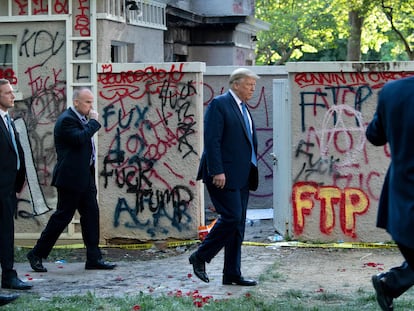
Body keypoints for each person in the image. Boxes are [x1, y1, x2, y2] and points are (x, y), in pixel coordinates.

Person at [27, 87, 116, 272]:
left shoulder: (80, 119)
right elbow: (79, 139)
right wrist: (93, 122)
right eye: (87, 102)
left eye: (92, 102)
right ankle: (36, 253)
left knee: (91, 215)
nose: (91, 106)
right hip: (70, 179)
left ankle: (93, 258)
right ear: (76, 102)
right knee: (62, 217)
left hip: (85, 178)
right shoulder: (67, 120)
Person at [189, 68, 259, 286]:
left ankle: (232, 274)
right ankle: (200, 256)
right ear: (235, 84)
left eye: (254, 86)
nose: (252, 89)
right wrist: (216, 170)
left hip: (243, 175)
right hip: (223, 175)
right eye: (249, 85)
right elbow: (212, 140)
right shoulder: (220, 104)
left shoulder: (243, 108)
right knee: (231, 217)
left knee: (238, 226)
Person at [366, 75, 414, 311]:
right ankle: (389, 284)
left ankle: (389, 284)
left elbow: (374, 136)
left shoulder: (392, 92)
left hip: (401, 200)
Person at [0, 79, 30, 305]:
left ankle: (9, 276)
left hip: (9, 189)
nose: (13, 96)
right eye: (8, 93)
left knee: (6, 234)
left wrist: (17, 186)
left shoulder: (7, 120)